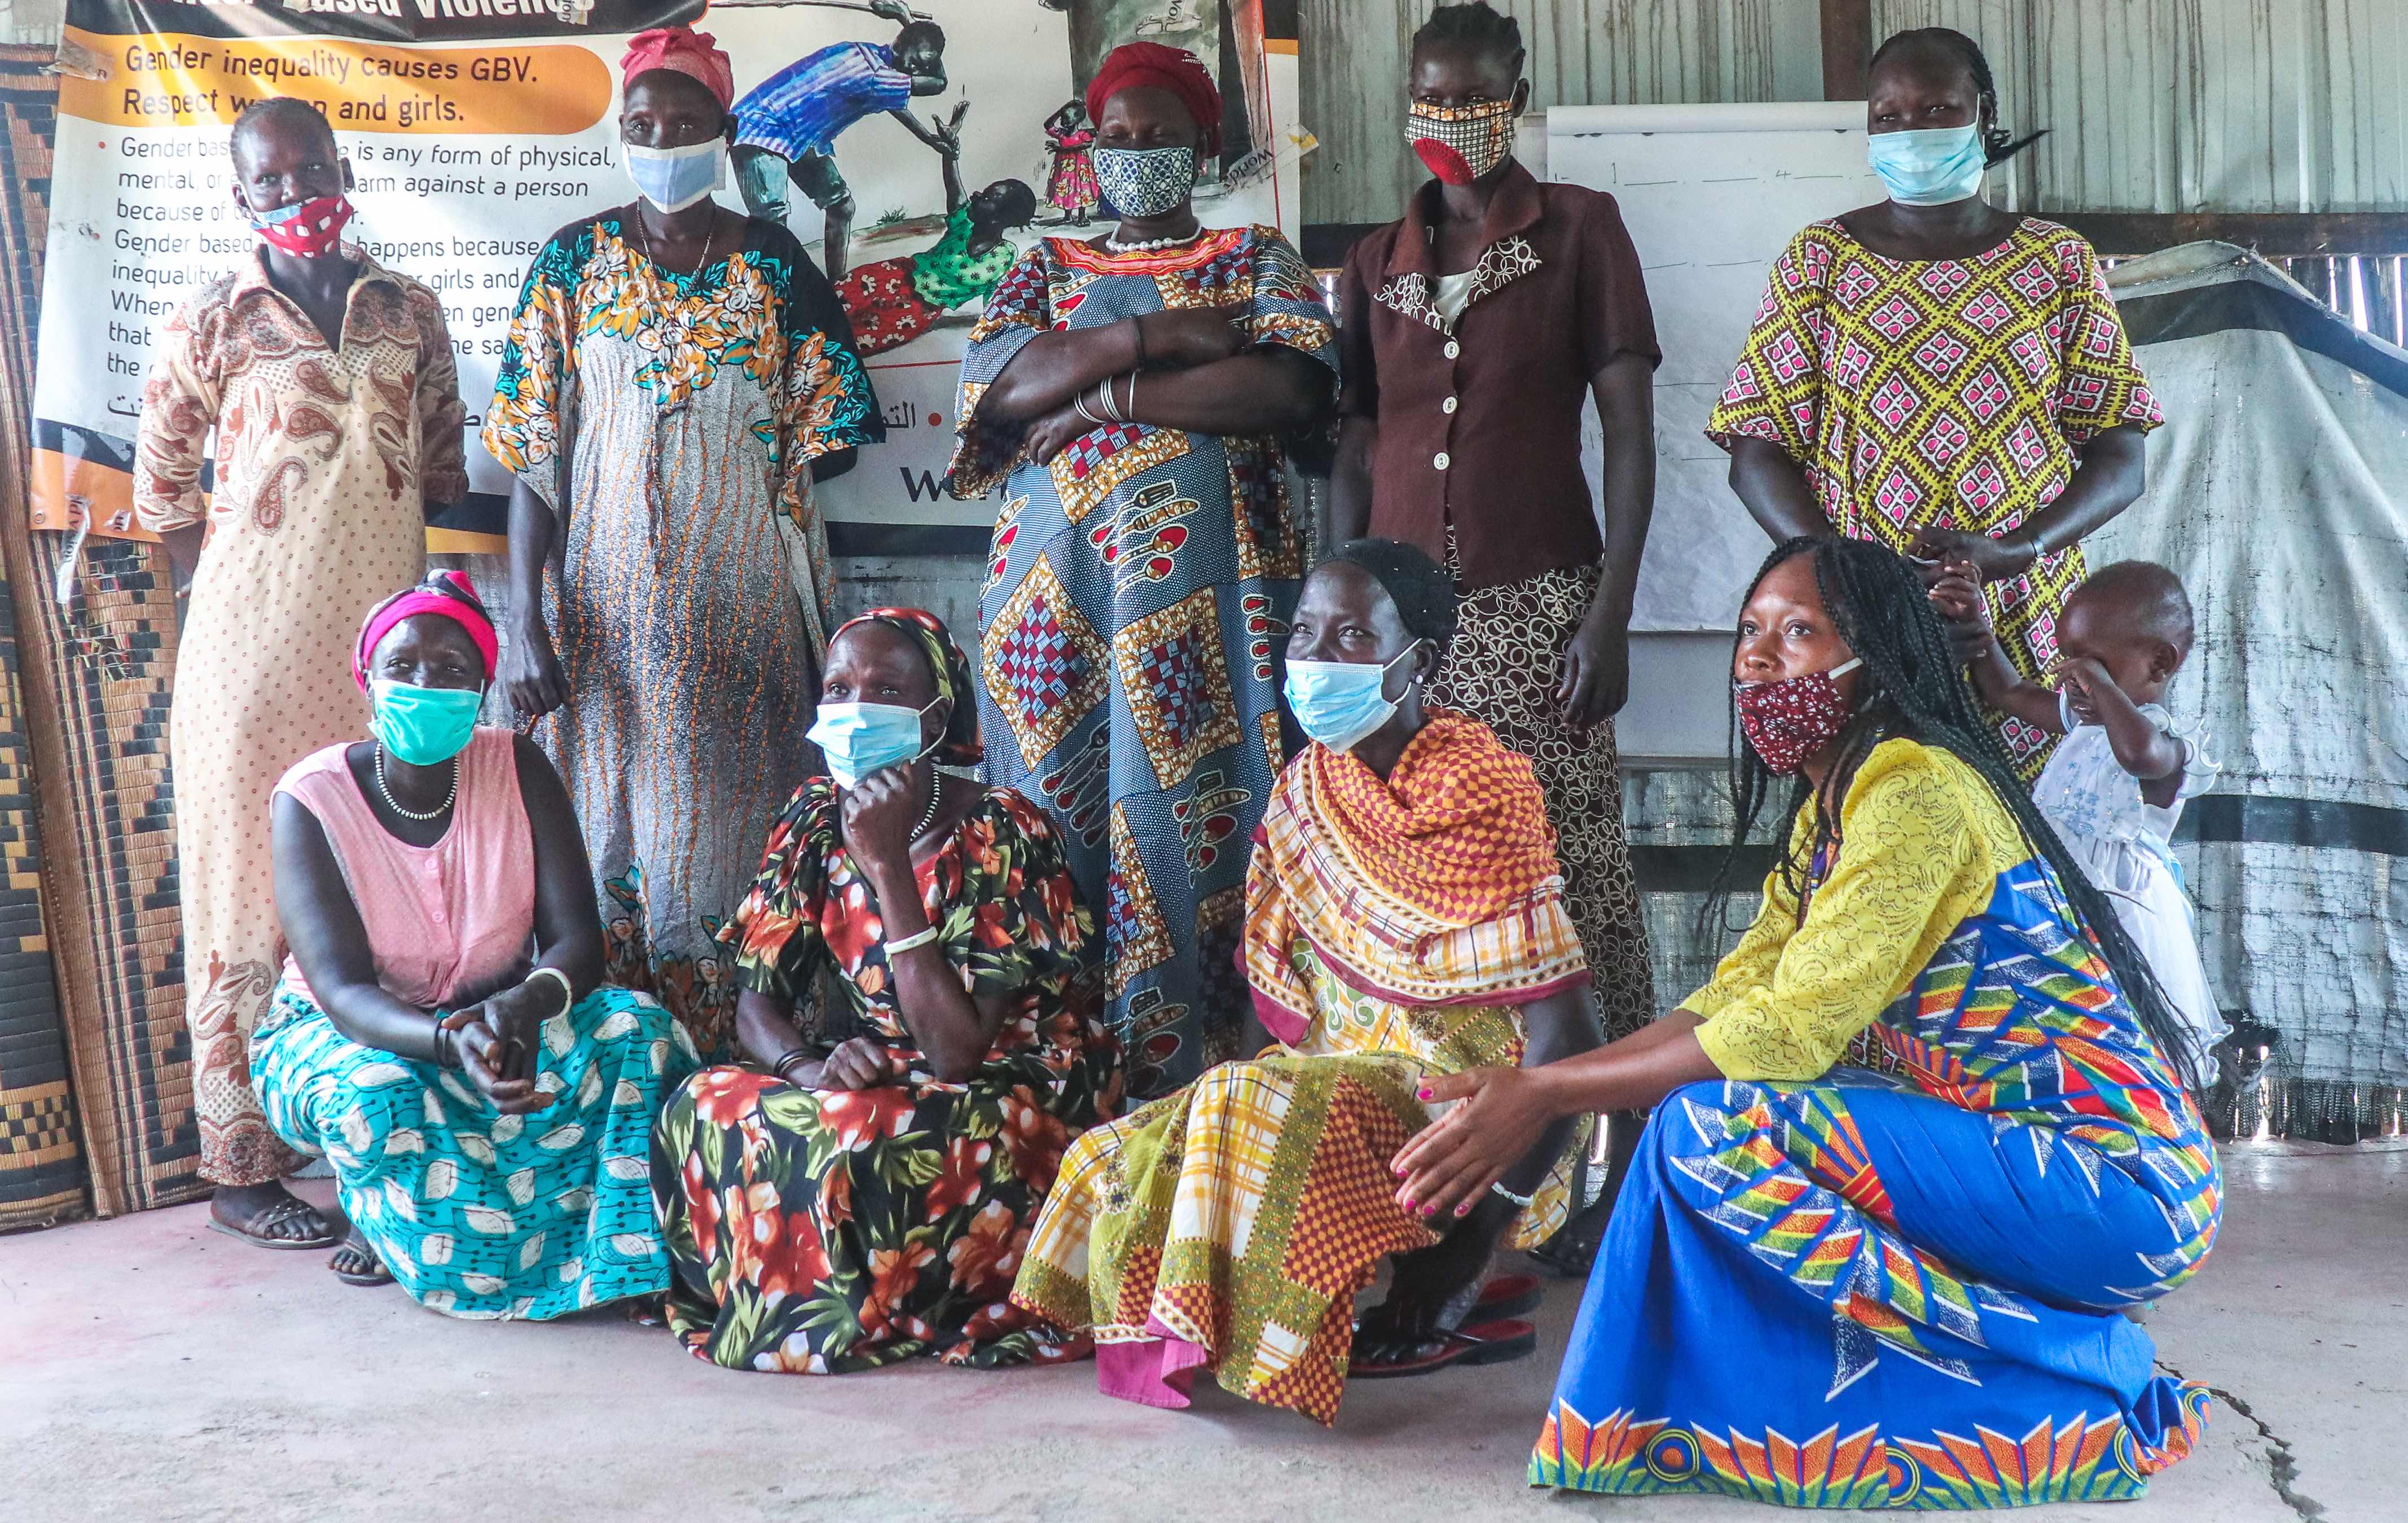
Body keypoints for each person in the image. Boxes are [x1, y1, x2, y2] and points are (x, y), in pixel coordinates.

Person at [1393, 537, 2221, 1507]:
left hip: (2119, 1190)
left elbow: (1786, 1031)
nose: (1755, 656)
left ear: (1874, 651)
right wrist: (1541, 1094)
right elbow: (1735, 999)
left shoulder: (1916, 789)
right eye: (1749, 631)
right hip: (2053, 1168)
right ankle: (1704, 1416)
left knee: (1712, 1124)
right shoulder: (1839, 801)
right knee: (1688, 1121)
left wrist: (1540, 1091)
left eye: (1797, 633)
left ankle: (2065, 1393)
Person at [1009, 543, 1601, 1425]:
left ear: (1420, 664)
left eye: (1355, 637)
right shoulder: (1304, 791)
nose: (1321, 661)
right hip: (1342, 1087)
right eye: (1306, 636)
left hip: (1473, 1124)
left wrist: (1485, 1225)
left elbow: (1570, 1041)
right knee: (1123, 1148)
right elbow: (1279, 1006)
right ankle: (1204, 1325)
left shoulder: (1485, 790)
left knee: (1241, 1107)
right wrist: (1241, 1100)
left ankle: (1444, 1276)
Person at [948, 41, 1338, 1096]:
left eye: (1159, 137)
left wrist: (1102, 404)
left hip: (1210, 614)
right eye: (1115, 138)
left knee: (1206, 824)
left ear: (1203, 145)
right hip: (1053, 615)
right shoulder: (1042, 267)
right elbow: (1001, 387)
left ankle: (1209, 1107)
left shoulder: (1255, 255)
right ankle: (1059, 1107)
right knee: (1050, 831)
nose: (1134, 155)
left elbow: (1288, 393)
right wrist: (1154, 338)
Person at [486, 26, 882, 1062]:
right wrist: (521, 623)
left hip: (742, 615)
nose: (662, 137)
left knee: (737, 839)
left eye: (685, 120)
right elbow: (533, 459)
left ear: (723, 130)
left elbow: (823, 446)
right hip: (600, 626)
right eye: (642, 123)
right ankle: (630, 1073)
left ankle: (748, 1066)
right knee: (610, 838)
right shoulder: (572, 260)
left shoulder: (772, 263)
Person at [135, 96, 467, 1251]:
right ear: (240, 199)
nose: (296, 193)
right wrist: (235, 596)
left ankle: (368, 1149)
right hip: (246, 661)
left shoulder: (409, 310)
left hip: (382, 660)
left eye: (311, 169)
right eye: (270, 182)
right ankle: (240, 1165)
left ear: (343, 167)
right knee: (242, 898)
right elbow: (165, 496)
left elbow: (436, 472)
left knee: (379, 891)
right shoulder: (211, 320)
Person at [651, 608, 1120, 1373]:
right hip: (885, 1081)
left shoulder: (1003, 831)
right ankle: (803, 1291)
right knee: (698, 1102)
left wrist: (889, 865)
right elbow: (757, 1003)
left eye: (887, 689)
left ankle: (851, 1300)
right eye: (838, 689)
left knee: (862, 1139)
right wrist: (809, 1066)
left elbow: (962, 1052)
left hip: (1015, 1095)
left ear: (937, 716)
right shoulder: (812, 817)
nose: (855, 709)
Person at [1332, 2, 1659, 1059]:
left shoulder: (1577, 228)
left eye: (1473, 96)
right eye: (1430, 95)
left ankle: (1605, 1102)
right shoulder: (1375, 261)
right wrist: (1332, 617)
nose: (1449, 114)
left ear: (1516, 97)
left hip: (1537, 605)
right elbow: (1352, 443)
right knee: (1421, 859)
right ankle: (1448, 1095)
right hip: (1395, 631)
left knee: (1560, 856)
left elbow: (1628, 437)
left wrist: (1608, 618)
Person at [1712, 26, 2165, 779]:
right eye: (1887, 117)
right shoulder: (1818, 261)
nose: (1909, 130)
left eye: (1935, 109)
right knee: (1881, 823)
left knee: (2024, 849)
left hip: (2024, 613)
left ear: (1982, 115)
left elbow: (2122, 453)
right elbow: (1755, 450)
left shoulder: (2057, 262)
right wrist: (1856, 576)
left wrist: (2019, 549)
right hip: (1868, 625)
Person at [253, 574, 697, 1313]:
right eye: (403, 667)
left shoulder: (519, 767)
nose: (426, 684)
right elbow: (344, 993)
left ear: (483, 687)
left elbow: (574, 942)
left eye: (453, 671)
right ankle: (389, 1216)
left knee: (638, 1032)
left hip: (501, 1011)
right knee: (381, 1092)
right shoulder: (312, 799)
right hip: (348, 1031)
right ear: (368, 678)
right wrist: (445, 1040)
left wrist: (526, 1005)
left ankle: (619, 1258)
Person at [1932, 557, 2229, 1082]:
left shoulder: (2170, 746)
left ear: (2159, 665)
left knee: (2128, 1032)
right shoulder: (2084, 721)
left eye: (2090, 663)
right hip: (2055, 894)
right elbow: (2008, 691)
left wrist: (2100, 686)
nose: (2070, 677)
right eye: (2066, 660)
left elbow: (2138, 755)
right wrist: (1977, 624)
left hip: (2121, 915)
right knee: (2062, 1021)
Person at [730, 0, 951, 280]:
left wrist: (930, 139)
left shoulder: (866, 54)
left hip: (798, 135)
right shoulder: (874, 76)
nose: (918, 72)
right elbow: (939, 85)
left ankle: (836, 286)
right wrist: (906, 18)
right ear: (902, 50)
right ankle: (774, 296)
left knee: (841, 206)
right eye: (917, 64)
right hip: (760, 130)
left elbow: (892, 104)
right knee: (771, 223)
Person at [832, 102, 1039, 357]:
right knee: (832, 302)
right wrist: (950, 150)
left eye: (988, 197)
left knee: (848, 345)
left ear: (1002, 219)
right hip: (894, 276)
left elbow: (994, 297)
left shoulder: (1004, 256)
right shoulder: (963, 222)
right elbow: (954, 186)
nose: (976, 194)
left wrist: (999, 332)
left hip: (916, 311)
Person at [1042, 96, 1100, 226]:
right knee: (1065, 190)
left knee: (1081, 190)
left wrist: (1062, 149)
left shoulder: (1082, 135)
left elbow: (1086, 145)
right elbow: (1048, 125)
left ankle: (1082, 216)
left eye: (1067, 119)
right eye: (1063, 119)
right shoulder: (1061, 133)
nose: (1063, 122)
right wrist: (1060, 111)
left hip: (1080, 169)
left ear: (1077, 120)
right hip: (1064, 171)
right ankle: (1068, 216)